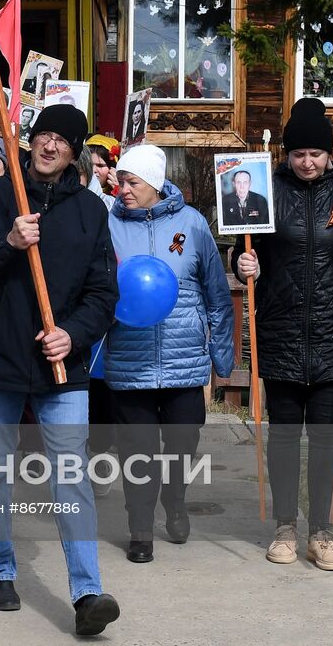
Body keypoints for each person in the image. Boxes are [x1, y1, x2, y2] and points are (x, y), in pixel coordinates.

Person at [0, 104, 121, 635]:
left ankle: (87, 592)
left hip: (59, 365)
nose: (49, 147)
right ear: (30, 140)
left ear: (75, 151)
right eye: (42, 136)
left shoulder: (91, 211)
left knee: (71, 475)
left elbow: (103, 292)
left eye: (61, 141)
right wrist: (9, 243)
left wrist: (73, 332)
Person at [234, 97, 333, 571]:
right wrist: (241, 266)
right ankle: (284, 527)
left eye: (315, 154)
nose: (307, 162)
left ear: (328, 153)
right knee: (283, 437)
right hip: (279, 331)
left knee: (325, 439)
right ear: (287, 153)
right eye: (298, 153)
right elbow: (243, 249)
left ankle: (322, 533)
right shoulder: (264, 189)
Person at [104, 143, 234, 564]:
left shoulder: (192, 224)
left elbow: (217, 294)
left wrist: (221, 355)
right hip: (129, 358)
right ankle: (140, 527)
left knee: (182, 441)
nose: (122, 188)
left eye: (132, 182)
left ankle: (175, 501)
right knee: (137, 450)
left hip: (184, 360)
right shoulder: (107, 225)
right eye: (120, 180)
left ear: (155, 184)